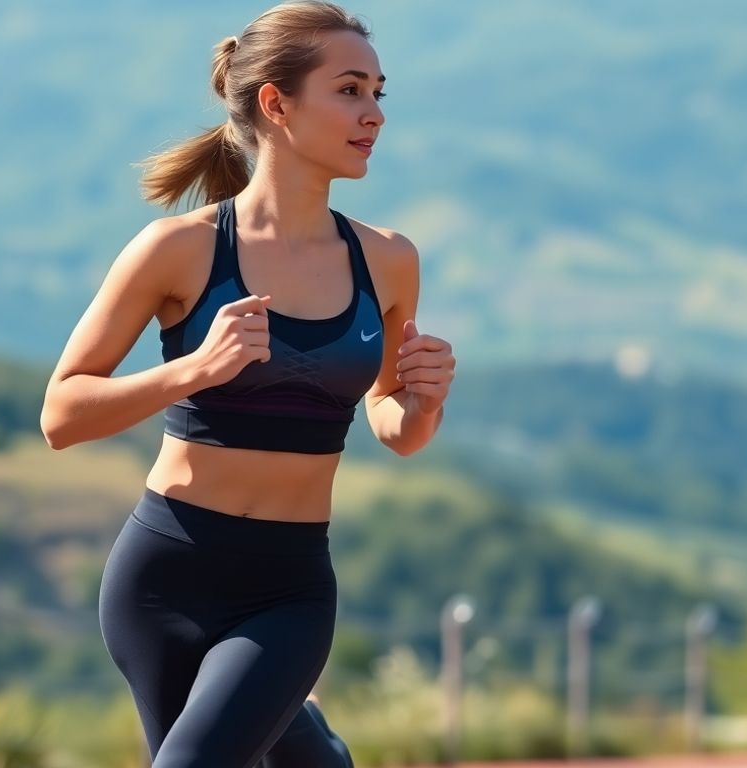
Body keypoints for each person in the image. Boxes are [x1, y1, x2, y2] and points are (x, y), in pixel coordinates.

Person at [40, 2, 455, 765]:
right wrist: (193, 370)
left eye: (378, 93)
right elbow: (61, 414)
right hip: (164, 577)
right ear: (276, 103)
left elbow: (393, 425)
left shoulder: (389, 261)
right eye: (350, 90)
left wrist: (421, 401)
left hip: (289, 587)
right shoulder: (179, 251)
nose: (373, 114)